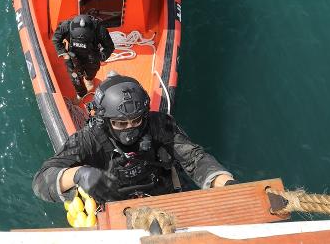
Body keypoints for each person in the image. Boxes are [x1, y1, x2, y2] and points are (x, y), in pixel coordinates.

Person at [32, 73, 236, 203]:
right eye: (120, 123)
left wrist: (225, 183)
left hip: (160, 195)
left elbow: (195, 159)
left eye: (136, 120)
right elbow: (41, 180)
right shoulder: (88, 139)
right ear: (105, 120)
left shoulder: (159, 124)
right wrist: (79, 174)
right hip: (112, 202)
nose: (129, 129)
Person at [52, 14, 115, 102]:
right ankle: (81, 93)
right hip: (72, 55)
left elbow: (110, 47)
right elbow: (56, 39)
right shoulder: (66, 25)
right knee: (75, 77)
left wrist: (101, 57)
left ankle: (88, 79)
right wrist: (63, 53)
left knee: (91, 72)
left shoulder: (99, 29)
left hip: (92, 56)